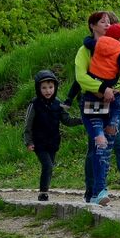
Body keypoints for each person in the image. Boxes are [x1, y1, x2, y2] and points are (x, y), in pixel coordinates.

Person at [74, 11, 120, 205]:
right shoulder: (84, 50)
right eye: (102, 22)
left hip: (115, 102)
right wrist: (101, 89)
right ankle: (92, 191)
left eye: (108, 22)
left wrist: (112, 90)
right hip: (93, 101)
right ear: (92, 26)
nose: (107, 25)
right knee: (96, 147)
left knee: (117, 144)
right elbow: (81, 76)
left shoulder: (118, 47)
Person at [23, 70, 82, 201]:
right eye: (44, 88)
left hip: (53, 142)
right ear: (38, 89)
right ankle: (43, 192)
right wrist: (28, 141)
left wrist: (82, 120)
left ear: (55, 87)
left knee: (50, 166)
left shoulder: (58, 104)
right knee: (47, 165)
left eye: (50, 87)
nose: (48, 91)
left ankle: (45, 190)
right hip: (39, 143)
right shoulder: (34, 104)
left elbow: (67, 120)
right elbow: (27, 124)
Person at [83, 22, 120, 136]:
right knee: (117, 106)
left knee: (95, 119)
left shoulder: (97, 44)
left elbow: (87, 42)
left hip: (94, 86)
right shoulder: (119, 52)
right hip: (111, 87)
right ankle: (111, 125)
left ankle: (99, 134)